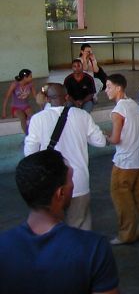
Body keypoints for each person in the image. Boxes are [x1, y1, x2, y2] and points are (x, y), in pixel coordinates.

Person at [0, 150, 119, 294]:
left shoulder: (4, 245)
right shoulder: (93, 248)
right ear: (60, 193)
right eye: (71, 180)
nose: (73, 185)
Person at [24, 83, 106, 230]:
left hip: (51, 183)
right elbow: (100, 142)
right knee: (80, 224)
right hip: (78, 181)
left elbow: (30, 153)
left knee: (52, 228)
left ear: (47, 99)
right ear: (67, 97)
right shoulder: (82, 116)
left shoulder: (37, 119)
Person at [104, 74, 139, 245]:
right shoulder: (133, 105)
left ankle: (126, 234)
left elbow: (116, 139)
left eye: (109, 86)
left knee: (121, 197)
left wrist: (106, 137)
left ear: (118, 88)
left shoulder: (118, 111)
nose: (106, 90)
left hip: (125, 162)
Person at [2, 68, 36, 134]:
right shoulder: (15, 84)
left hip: (26, 107)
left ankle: (34, 132)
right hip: (16, 108)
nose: (32, 78)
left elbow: (35, 97)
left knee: (33, 117)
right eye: (30, 76)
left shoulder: (30, 84)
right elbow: (6, 97)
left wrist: (42, 107)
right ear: (25, 78)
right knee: (22, 118)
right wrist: (4, 111)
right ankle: (27, 135)